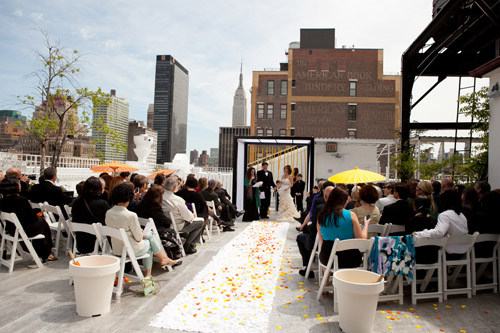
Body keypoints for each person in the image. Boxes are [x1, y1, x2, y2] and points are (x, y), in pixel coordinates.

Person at [106, 183, 179, 277]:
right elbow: (138, 237)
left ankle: (161, 261)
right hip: (131, 249)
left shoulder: (109, 212)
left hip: (116, 248)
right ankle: (151, 271)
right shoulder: (130, 215)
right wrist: (142, 234)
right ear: (129, 198)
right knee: (149, 241)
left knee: (149, 238)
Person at [0, 177, 55, 261]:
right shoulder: (22, 200)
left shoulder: (2, 201)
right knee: (43, 223)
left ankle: (44, 252)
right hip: (25, 229)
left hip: (11, 229)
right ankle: (46, 253)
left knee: (41, 223)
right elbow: (32, 218)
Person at [317, 187, 370, 268]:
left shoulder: (321, 215)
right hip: (350, 260)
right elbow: (362, 239)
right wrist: (366, 225)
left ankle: (327, 277)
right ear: (345, 201)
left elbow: (322, 240)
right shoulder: (351, 215)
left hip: (327, 258)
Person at [415, 190, 468, 259]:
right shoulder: (462, 215)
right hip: (463, 251)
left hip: (449, 252)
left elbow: (439, 232)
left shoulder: (445, 215)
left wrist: (419, 234)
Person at [136, 185, 183, 261]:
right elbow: (165, 220)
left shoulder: (141, 204)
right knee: (171, 232)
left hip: (143, 229)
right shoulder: (155, 207)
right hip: (154, 231)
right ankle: (172, 257)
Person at [297, 185, 333, 278]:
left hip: (323, 244)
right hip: (343, 249)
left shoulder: (320, 207)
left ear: (325, 195)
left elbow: (314, 229)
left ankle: (308, 267)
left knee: (301, 238)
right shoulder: (350, 214)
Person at [162, 175, 204, 254]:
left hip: (164, 223)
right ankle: (188, 245)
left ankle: (189, 243)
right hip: (177, 225)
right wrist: (193, 215)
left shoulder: (160, 196)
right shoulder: (177, 200)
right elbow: (188, 217)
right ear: (175, 187)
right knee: (200, 223)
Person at [71, 176, 110, 254]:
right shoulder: (101, 204)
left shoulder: (76, 202)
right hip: (97, 242)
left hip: (80, 241)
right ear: (98, 189)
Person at [406, 196, 438, 264]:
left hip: (416, 256)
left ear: (415, 207)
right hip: (433, 256)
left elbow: (407, 239)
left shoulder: (411, 222)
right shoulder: (434, 221)